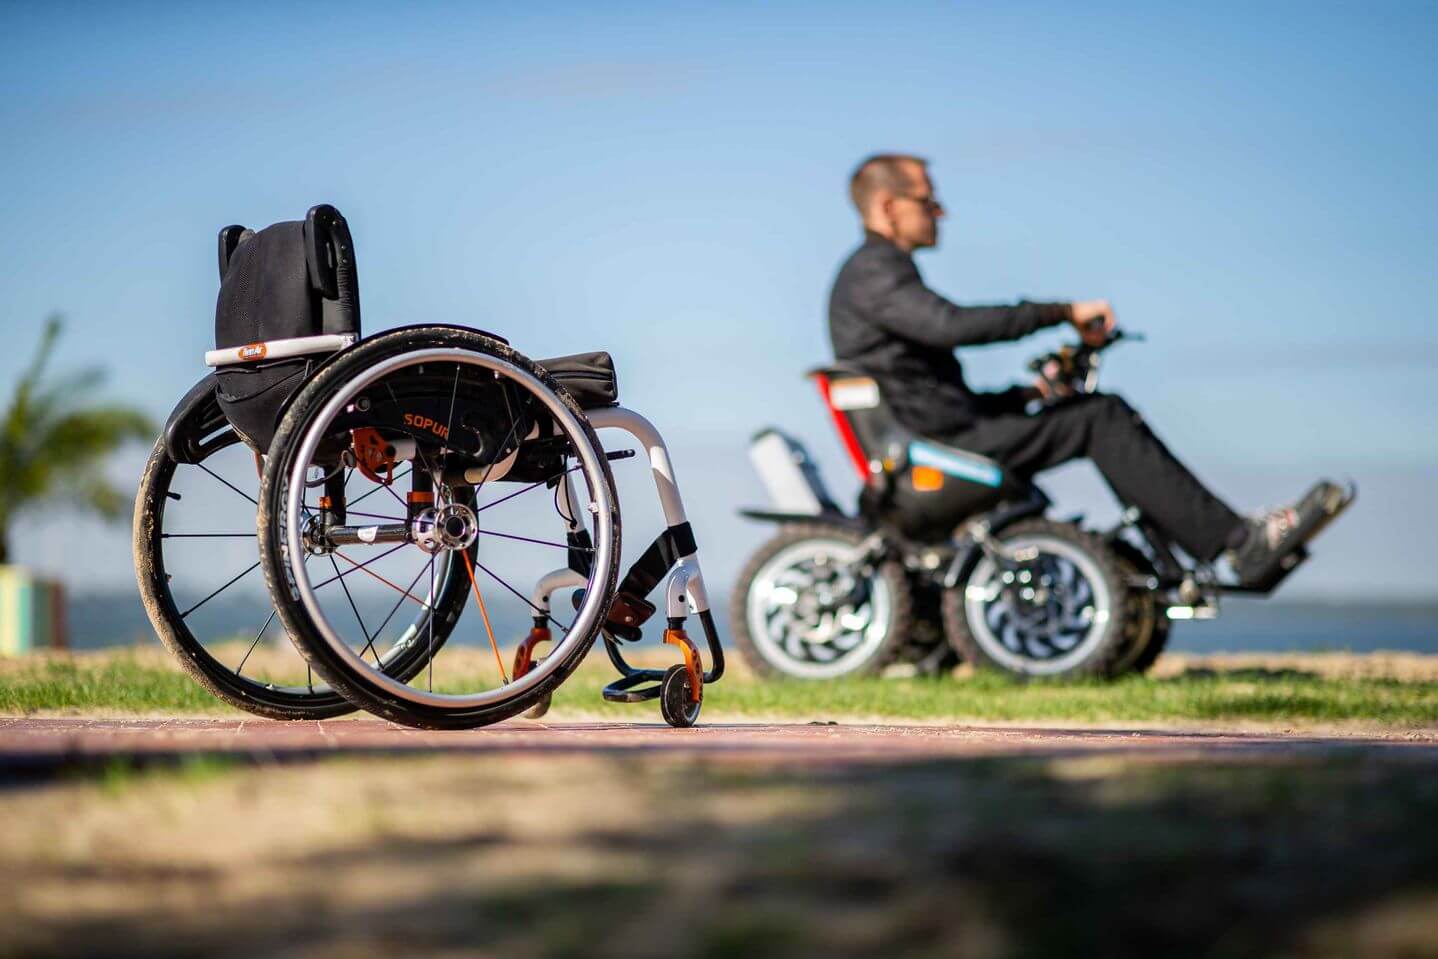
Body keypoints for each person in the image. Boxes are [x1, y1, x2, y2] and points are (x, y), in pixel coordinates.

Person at [828, 153, 1337, 585]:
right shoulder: (876, 270)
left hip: (948, 431)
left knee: (1089, 413)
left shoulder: (878, 274)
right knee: (1101, 418)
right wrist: (1060, 312)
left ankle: (1212, 547)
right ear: (889, 208)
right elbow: (951, 326)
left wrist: (1024, 395)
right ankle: (1239, 543)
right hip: (938, 447)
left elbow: (930, 389)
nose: (942, 211)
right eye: (927, 200)